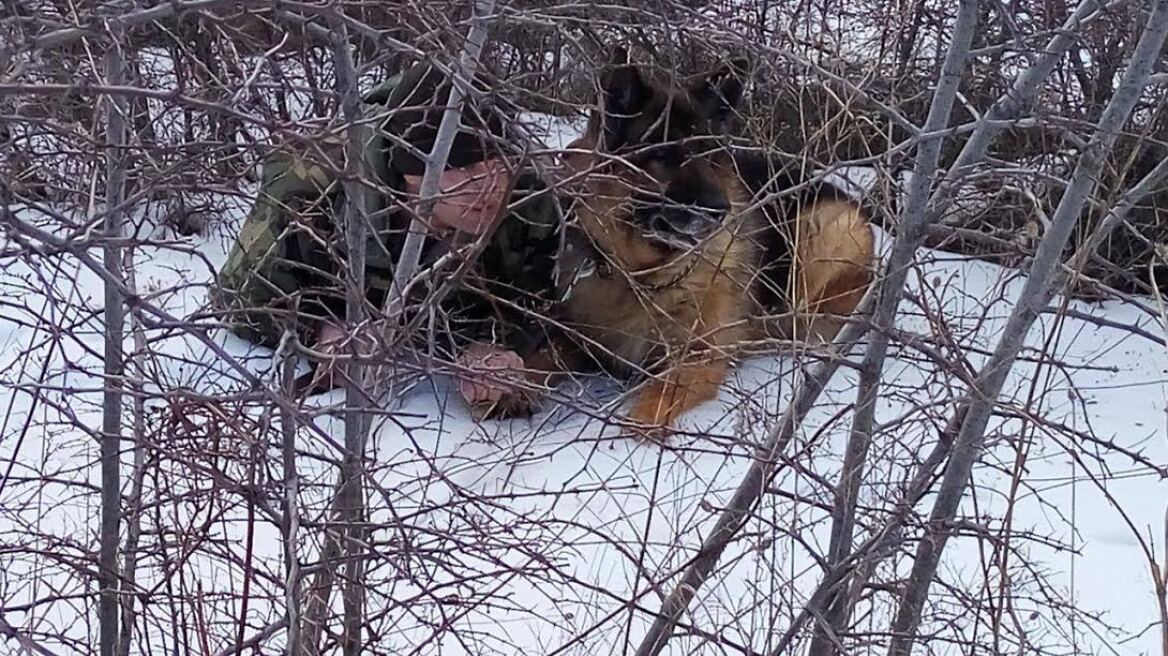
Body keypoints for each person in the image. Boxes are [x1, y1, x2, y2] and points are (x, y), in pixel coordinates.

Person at [208, 58, 565, 416]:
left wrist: (493, 345)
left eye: (499, 163)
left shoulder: (529, 197)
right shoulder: (315, 182)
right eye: (467, 169)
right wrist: (317, 328)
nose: (490, 187)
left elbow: (555, 304)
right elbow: (238, 297)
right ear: (414, 173)